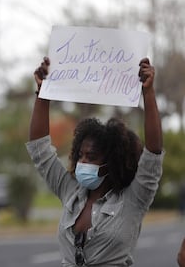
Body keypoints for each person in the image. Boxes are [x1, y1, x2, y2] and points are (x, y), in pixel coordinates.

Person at [26, 56, 164, 266]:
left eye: (91, 157)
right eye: (80, 155)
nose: (82, 162)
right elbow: (40, 149)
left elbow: (153, 153)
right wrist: (43, 94)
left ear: (112, 162)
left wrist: (148, 92)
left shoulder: (134, 199)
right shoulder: (70, 191)